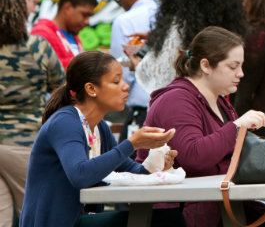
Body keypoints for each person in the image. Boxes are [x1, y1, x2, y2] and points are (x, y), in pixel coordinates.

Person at [136, 26, 265, 227]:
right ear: (205, 65)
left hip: (216, 208)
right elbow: (194, 156)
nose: (241, 73)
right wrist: (238, 126)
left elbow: (228, 156)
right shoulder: (176, 100)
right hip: (177, 216)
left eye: (241, 66)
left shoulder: (219, 101)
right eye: (233, 66)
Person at [20, 51, 179, 227]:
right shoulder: (65, 122)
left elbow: (133, 171)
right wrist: (132, 144)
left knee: (166, 219)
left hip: (79, 219)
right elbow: (80, 175)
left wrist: (155, 162)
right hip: (57, 222)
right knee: (167, 221)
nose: (126, 86)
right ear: (91, 89)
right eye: (116, 81)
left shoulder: (99, 127)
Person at [134, 0, 246, 93]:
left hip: (176, 106)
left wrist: (136, 63)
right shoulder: (226, 26)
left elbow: (155, 76)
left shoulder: (180, 26)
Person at [0, 0, 64, 227]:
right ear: (21, 13)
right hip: (27, 144)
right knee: (37, 217)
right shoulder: (38, 47)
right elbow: (61, 91)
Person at [110, 0, 158, 143]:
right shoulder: (172, 14)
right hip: (178, 106)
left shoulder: (124, 21)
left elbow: (120, 71)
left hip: (143, 112)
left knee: (135, 167)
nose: (121, 4)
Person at [30, 0, 97, 69]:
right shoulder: (41, 34)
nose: (88, 22)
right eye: (84, 15)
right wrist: (89, 62)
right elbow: (42, 69)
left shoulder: (75, 37)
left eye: (90, 16)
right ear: (68, 8)